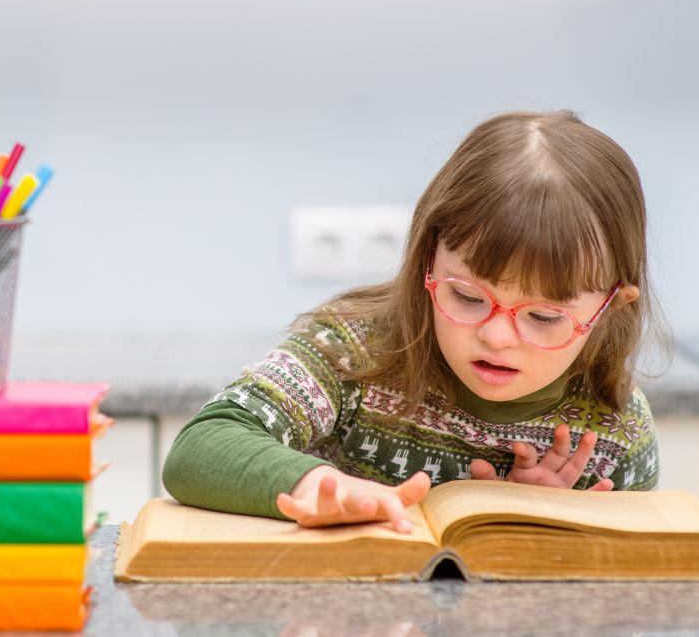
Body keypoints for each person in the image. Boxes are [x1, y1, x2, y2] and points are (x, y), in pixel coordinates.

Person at [163, 111, 667, 533]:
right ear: (428, 258)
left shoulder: (615, 428)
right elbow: (200, 448)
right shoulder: (352, 353)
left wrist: (536, 518)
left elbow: (619, 602)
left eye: (542, 316)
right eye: (467, 296)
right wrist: (319, 487)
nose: (495, 335)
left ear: (609, 308)